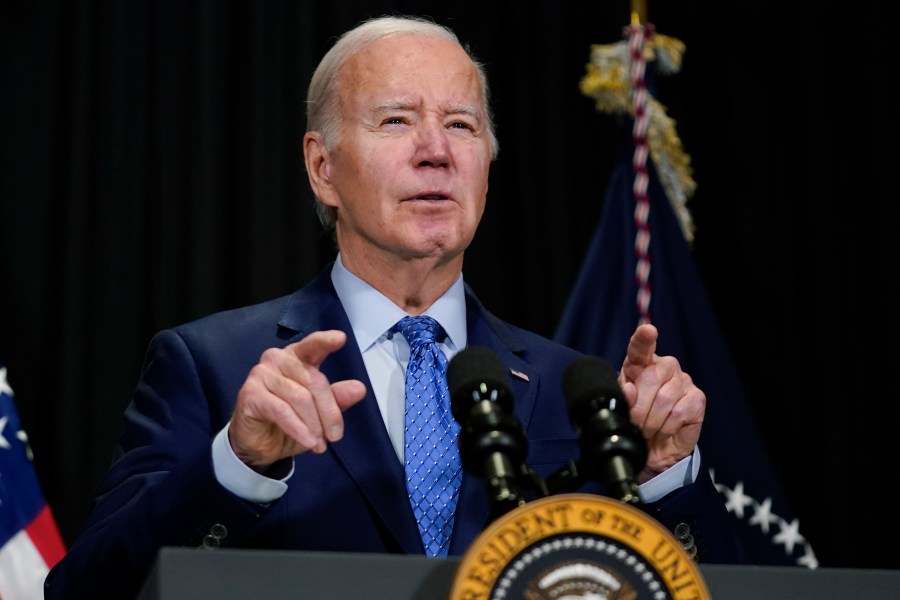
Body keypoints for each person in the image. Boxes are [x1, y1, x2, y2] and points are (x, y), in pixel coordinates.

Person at [44, 14, 743, 599]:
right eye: (397, 120)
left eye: (462, 126)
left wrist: (667, 477)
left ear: (488, 166)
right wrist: (238, 464)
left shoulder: (577, 389)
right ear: (323, 168)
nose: (436, 152)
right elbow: (87, 589)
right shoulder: (213, 367)